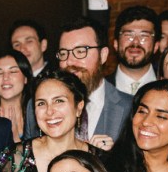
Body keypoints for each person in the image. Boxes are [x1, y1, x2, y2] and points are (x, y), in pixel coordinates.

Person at [56, 16, 132, 144]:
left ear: (103, 55)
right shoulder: (40, 109)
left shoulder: (131, 107)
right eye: (63, 53)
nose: (69, 61)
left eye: (80, 51)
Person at [0, 51, 36, 143]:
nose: (5, 77)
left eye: (13, 71)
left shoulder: (38, 116)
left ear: (26, 78)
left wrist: (15, 138)